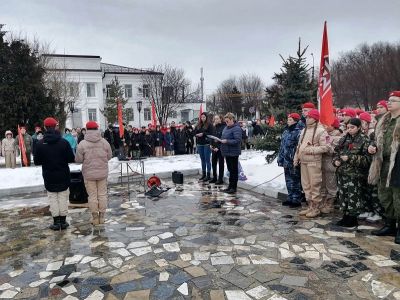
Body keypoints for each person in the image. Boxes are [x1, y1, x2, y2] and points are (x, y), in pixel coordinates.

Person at [368, 91, 400, 243]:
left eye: (393, 100)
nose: (389, 102)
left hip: (397, 164)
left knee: (398, 197)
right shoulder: (383, 120)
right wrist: (372, 147)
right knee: (384, 195)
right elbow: (375, 139)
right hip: (383, 163)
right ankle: (390, 224)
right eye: (389, 100)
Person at [34, 117, 75, 230]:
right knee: (62, 197)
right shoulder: (64, 142)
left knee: (53, 198)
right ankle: (63, 221)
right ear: (56, 126)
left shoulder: (40, 144)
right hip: (63, 174)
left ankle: (56, 222)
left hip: (48, 175)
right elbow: (71, 158)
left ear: (45, 127)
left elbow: (37, 161)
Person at [333, 118, 371, 227]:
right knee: (343, 196)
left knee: (353, 197)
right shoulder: (344, 139)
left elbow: (367, 160)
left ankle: (353, 218)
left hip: (355, 174)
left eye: (352, 127)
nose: (349, 130)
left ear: (359, 127)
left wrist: (350, 158)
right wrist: (335, 161)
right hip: (342, 172)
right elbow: (337, 152)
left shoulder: (364, 140)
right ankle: (345, 216)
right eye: (348, 127)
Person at [75, 121, 112, 225]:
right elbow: (109, 156)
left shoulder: (82, 143)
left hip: (89, 174)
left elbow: (78, 160)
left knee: (92, 196)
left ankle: (95, 218)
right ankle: (102, 217)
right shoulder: (104, 142)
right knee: (102, 195)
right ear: (97, 129)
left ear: (86, 130)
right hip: (102, 173)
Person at [293, 109, 328, 218]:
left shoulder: (321, 131)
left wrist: (311, 150)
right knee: (306, 185)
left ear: (315, 118)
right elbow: (299, 146)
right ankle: (310, 206)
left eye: (309, 117)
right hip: (303, 161)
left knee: (315, 185)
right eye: (306, 117)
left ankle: (316, 208)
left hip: (314, 162)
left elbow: (326, 147)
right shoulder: (304, 130)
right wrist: (296, 157)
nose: (306, 119)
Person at [278, 113, 302, 208]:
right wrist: (281, 158)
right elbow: (282, 146)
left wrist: (295, 158)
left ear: (295, 120)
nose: (288, 121)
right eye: (288, 119)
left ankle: (296, 199)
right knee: (288, 179)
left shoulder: (298, 131)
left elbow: (298, 147)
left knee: (295, 180)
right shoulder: (286, 130)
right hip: (285, 159)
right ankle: (290, 197)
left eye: (290, 119)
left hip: (293, 159)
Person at [320, 118, 343, 214]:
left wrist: (326, 147)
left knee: (331, 186)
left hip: (331, 164)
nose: (325, 126)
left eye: (327, 124)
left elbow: (336, 151)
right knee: (323, 185)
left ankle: (330, 204)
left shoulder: (339, 137)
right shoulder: (326, 135)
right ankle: (323, 202)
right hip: (323, 164)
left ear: (333, 126)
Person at [220, 113, 242, 194]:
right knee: (230, 170)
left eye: (228, 121)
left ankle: (234, 187)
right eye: (225, 121)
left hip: (233, 152)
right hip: (227, 152)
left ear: (232, 120)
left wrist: (227, 141)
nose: (226, 123)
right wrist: (219, 140)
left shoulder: (237, 128)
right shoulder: (226, 128)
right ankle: (230, 186)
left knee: (234, 170)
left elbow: (237, 140)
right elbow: (223, 137)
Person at [194, 112, 215, 181]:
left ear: (206, 117)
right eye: (201, 117)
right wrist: (196, 134)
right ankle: (204, 174)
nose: (202, 118)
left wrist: (203, 134)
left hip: (206, 143)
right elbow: (194, 132)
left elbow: (211, 133)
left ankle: (208, 175)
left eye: (204, 117)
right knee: (202, 159)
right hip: (200, 144)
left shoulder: (209, 125)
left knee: (207, 159)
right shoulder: (198, 124)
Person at [210, 115, 226, 185]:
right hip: (214, 148)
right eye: (215, 119)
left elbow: (222, 138)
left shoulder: (224, 127)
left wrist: (218, 147)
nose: (216, 120)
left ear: (220, 119)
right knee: (213, 163)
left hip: (220, 148)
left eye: (217, 119)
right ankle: (214, 177)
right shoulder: (214, 127)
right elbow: (212, 136)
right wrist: (211, 144)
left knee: (221, 164)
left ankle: (220, 179)